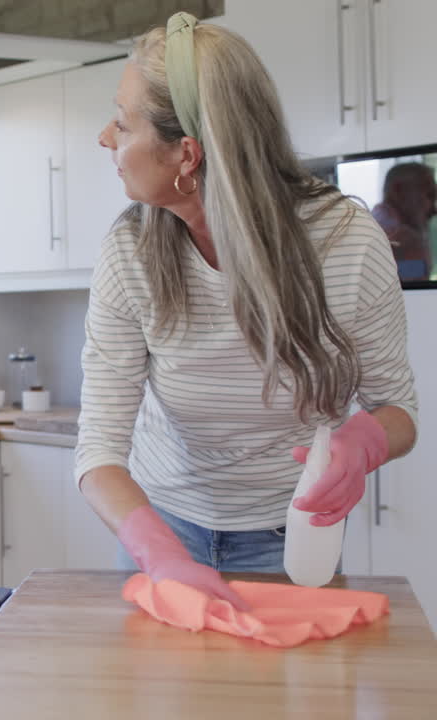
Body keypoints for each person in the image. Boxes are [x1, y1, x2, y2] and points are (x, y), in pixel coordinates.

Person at [80, 13, 418, 608]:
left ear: (186, 155)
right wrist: (162, 557)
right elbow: (99, 450)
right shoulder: (130, 251)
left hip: (291, 540)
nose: (106, 138)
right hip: (165, 531)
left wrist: (364, 443)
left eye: (122, 123)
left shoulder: (346, 241)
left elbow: (398, 410)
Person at [371, 162, 436, 282]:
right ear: (398, 190)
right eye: (429, 195)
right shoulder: (403, 238)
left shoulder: (371, 223)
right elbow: (418, 290)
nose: (434, 210)